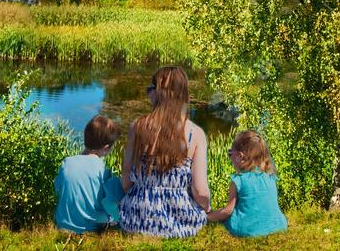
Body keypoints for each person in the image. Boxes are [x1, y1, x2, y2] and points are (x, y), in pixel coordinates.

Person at [119, 66, 210, 238]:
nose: (148, 94)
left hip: (136, 219)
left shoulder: (137, 127)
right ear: (183, 94)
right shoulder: (195, 134)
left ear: (158, 94)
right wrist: (205, 206)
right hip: (180, 222)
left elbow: (126, 179)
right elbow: (200, 191)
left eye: (151, 89)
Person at [207, 130, 288, 238]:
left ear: (239, 156)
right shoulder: (270, 177)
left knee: (226, 218)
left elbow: (227, 211)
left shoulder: (238, 180)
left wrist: (206, 217)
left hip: (247, 229)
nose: (229, 157)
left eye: (230, 153)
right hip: (278, 225)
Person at [54, 115, 123, 234]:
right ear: (106, 148)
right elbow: (110, 203)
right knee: (114, 215)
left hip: (62, 224)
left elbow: (57, 190)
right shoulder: (103, 170)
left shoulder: (67, 162)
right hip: (90, 228)